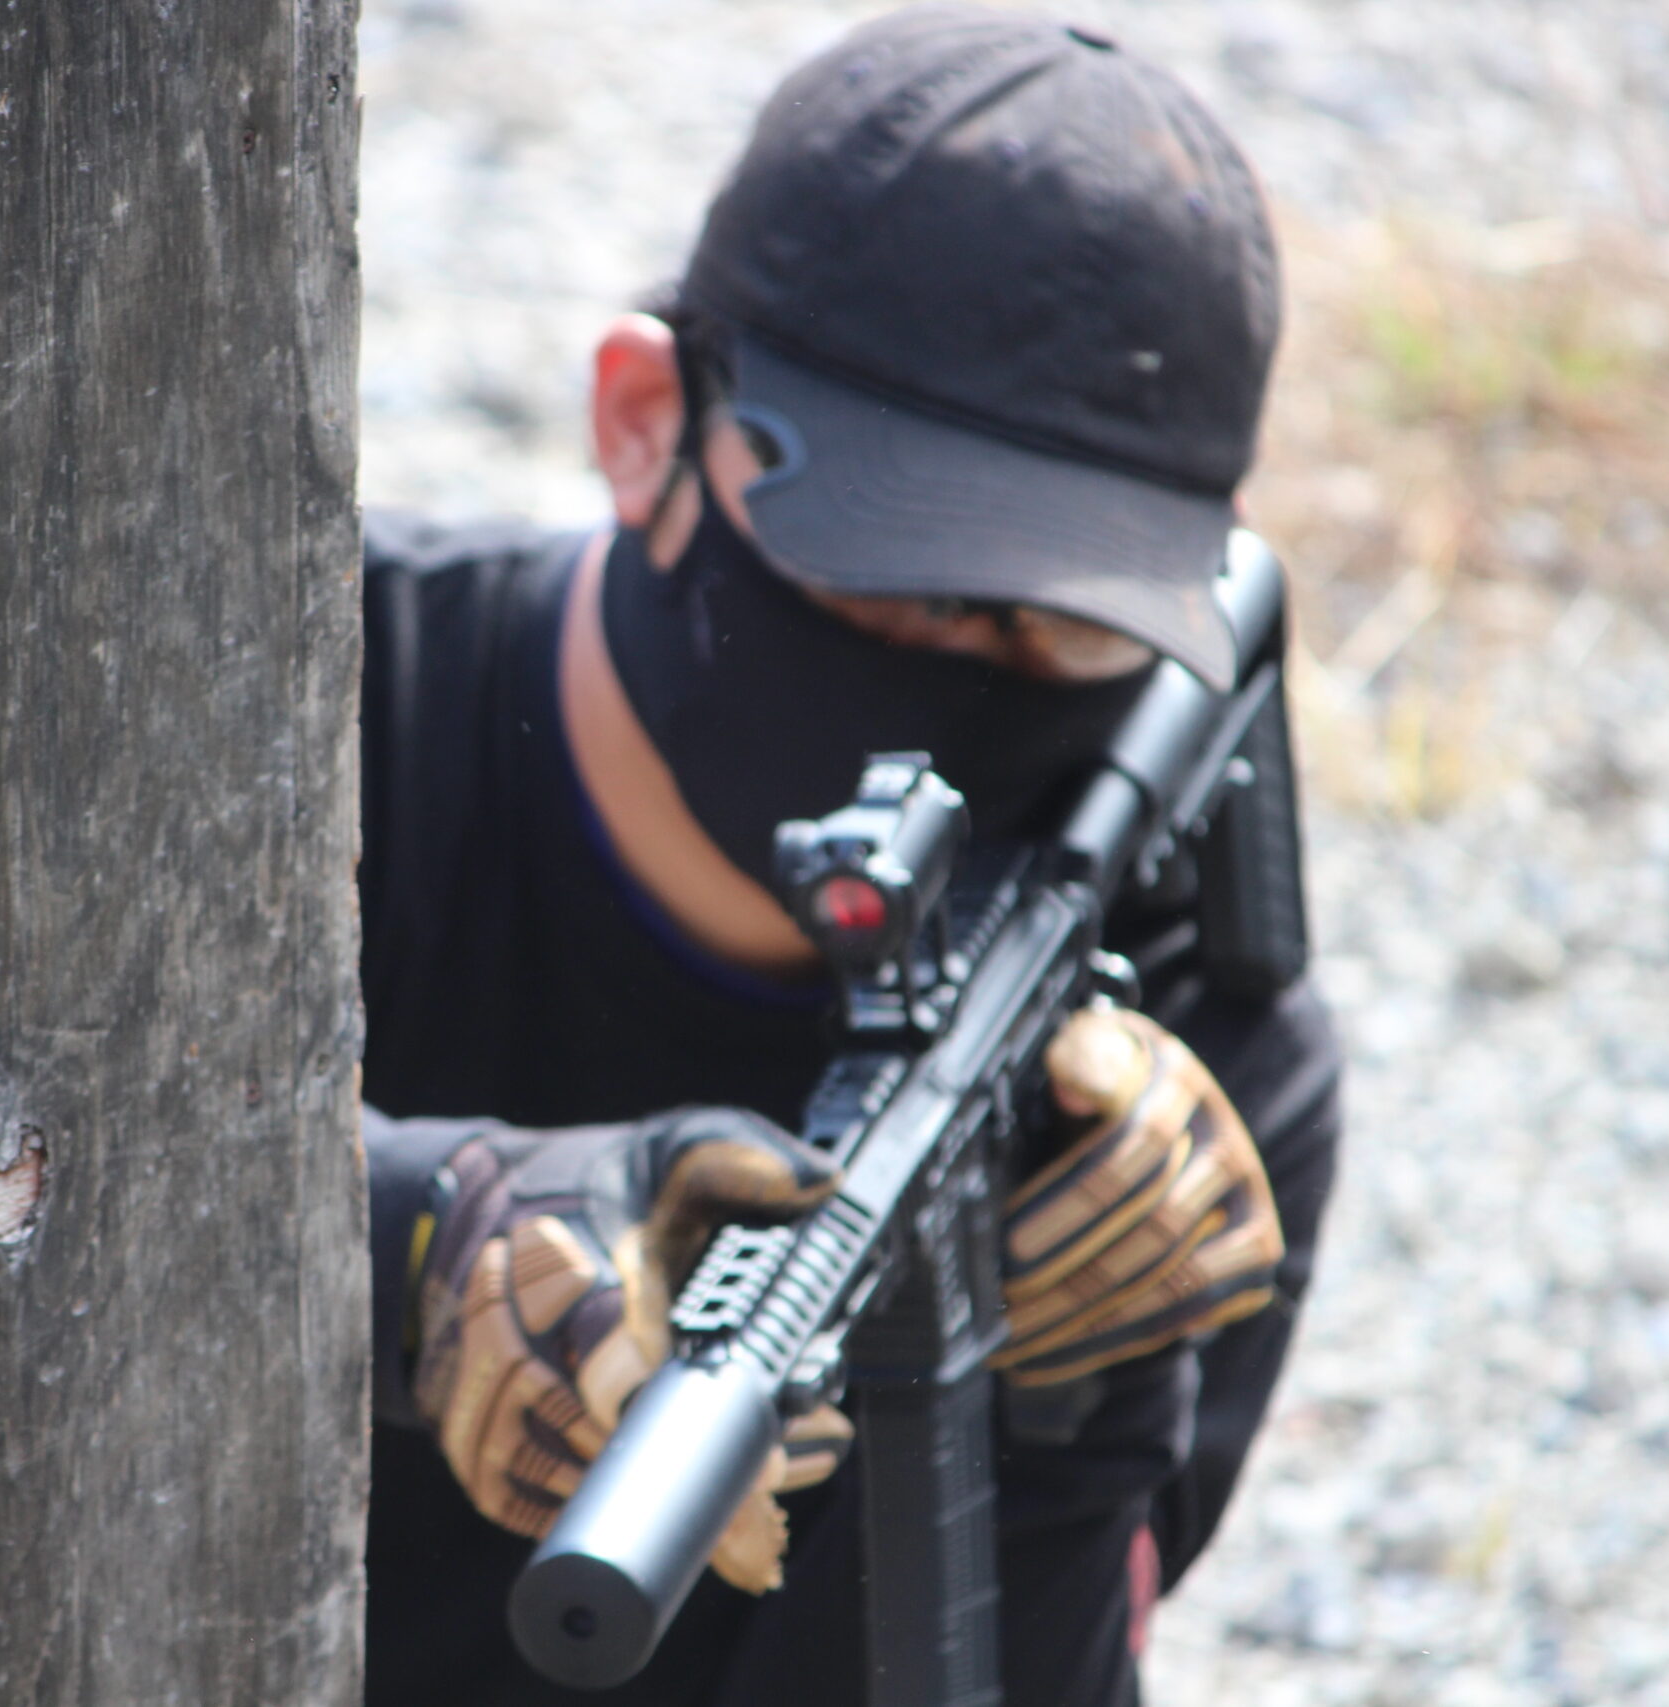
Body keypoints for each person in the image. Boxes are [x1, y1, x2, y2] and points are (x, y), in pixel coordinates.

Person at [358, 9, 1342, 1704]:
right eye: (895, 577)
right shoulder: (301, 735)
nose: (981, 669)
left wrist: (1070, 1415)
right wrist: (403, 1249)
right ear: (645, 422)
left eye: (1076, 622)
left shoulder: (1173, 1072)